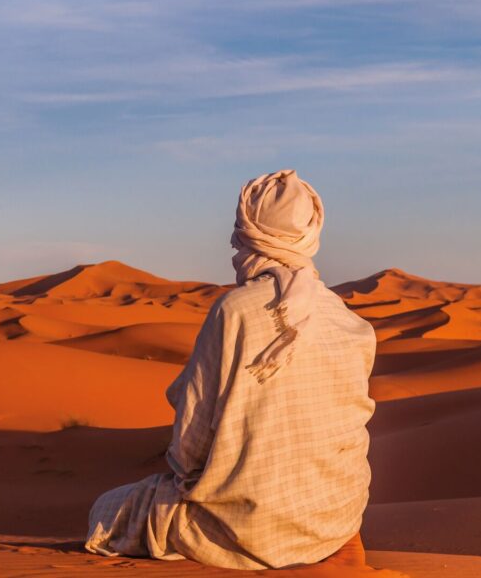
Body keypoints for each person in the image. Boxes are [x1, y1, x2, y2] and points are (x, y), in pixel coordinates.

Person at [85, 170, 378, 570]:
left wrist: (188, 485)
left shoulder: (234, 311)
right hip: (335, 518)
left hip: (246, 526)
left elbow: (190, 443)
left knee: (107, 511)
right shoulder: (351, 323)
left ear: (247, 233)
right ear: (310, 232)